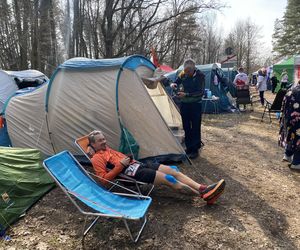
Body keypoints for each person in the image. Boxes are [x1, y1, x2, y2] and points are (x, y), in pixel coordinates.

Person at [87, 130, 226, 205]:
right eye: (100, 140)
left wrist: (127, 160)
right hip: (132, 174)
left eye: (104, 138)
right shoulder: (96, 158)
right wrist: (120, 166)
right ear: (93, 144)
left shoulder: (103, 149)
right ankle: (204, 195)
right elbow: (103, 180)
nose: (104, 141)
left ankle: (203, 188)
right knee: (169, 178)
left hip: (138, 165)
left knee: (172, 170)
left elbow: (102, 151)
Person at [170, 59, 205, 159]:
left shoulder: (200, 76)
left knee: (195, 126)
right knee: (186, 126)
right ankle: (189, 147)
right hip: (184, 104)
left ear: (193, 69)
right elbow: (176, 81)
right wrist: (174, 84)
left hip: (195, 104)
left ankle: (195, 149)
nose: (187, 73)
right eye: (185, 71)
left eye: (189, 71)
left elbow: (200, 92)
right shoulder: (183, 73)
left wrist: (186, 94)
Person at [279, 85, 300, 170]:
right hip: (297, 121)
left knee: (291, 136)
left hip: (288, 119)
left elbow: (284, 105)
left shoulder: (291, 88)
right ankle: (296, 163)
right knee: (298, 140)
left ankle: (287, 155)